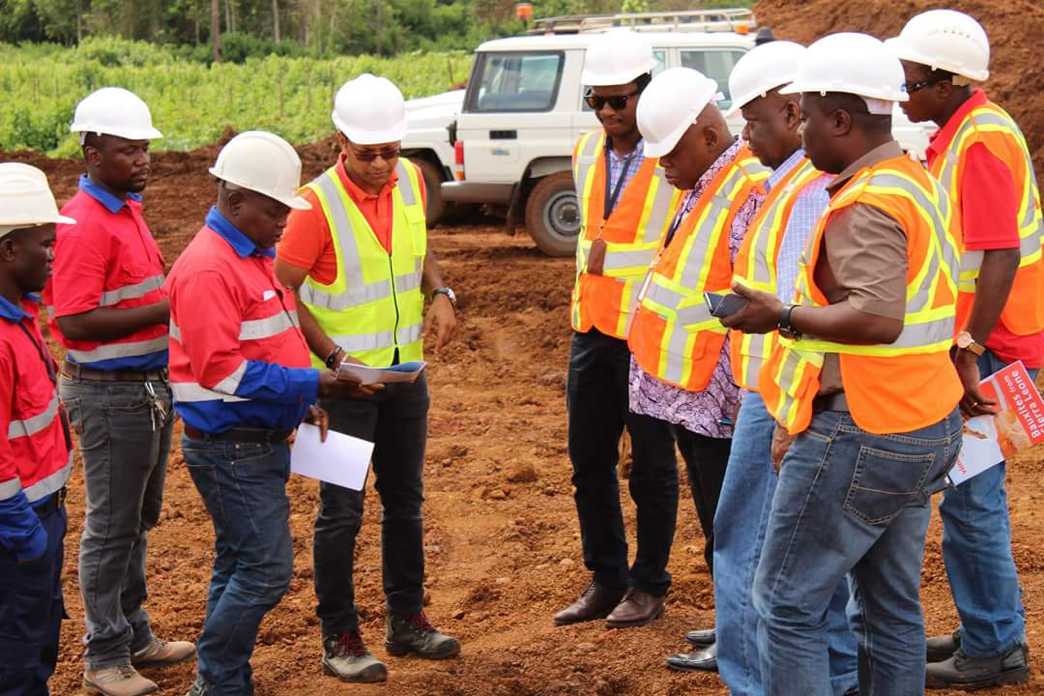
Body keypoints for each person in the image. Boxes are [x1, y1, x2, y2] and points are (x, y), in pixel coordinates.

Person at [721, 33, 964, 695]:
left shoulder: (867, 205)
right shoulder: (914, 183)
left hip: (865, 428)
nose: (797, 129)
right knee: (887, 604)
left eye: (803, 114)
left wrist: (781, 316)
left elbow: (877, 318)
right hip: (922, 420)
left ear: (840, 120)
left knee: (787, 603)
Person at [665, 42, 859, 695]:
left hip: (783, 392)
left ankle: (754, 683)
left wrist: (788, 410)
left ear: (794, 108)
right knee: (806, 562)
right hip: (777, 385)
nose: (746, 137)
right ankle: (829, 679)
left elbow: (812, 310)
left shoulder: (809, 188)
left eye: (755, 122)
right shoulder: (794, 180)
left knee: (752, 551)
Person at [274, 73, 460, 683]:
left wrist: (441, 292)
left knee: (404, 501)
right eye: (368, 152)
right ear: (340, 143)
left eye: (390, 150)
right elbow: (282, 293)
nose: (382, 164)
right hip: (341, 391)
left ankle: (406, 619)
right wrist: (333, 361)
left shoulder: (408, 179)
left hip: (406, 378)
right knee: (340, 512)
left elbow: (418, 249)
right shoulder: (313, 206)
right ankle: (340, 634)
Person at [166, 131, 363, 696]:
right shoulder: (209, 268)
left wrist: (304, 403)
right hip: (231, 447)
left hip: (258, 438)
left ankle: (221, 681)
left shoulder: (253, 256)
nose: (284, 222)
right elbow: (222, 373)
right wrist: (312, 380)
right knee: (267, 570)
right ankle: (217, 675)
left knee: (238, 562)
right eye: (275, 210)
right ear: (235, 203)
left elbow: (268, 344)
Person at [888, 10, 1043, 688]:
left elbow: (1000, 253)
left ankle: (995, 647)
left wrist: (970, 349)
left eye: (912, 80)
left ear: (948, 83)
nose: (902, 93)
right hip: (996, 342)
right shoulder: (961, 131)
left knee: (973, 499)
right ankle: (989, 627)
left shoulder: (977, 140)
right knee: (970, 496)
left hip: (999, 347)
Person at [43, 87, 194, 696]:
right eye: (128, 150)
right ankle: (104, 655)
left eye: (145, 149)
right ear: (92, 150)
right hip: (109, 395)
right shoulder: (83, 225)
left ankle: (133, 633)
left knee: (138, 519)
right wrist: (167, 307)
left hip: (146, 388)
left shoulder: (125, 212)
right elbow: (72, 324)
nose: (143, 160)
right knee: (110, 527)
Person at [626, 66, 768, 631]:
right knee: (716, 519)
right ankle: (732, 621)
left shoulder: (745, 188)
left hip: (723, 397)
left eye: (669, 153)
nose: (661, 165)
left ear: (708, 137)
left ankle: (741, 631)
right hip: (693, 394)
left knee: (731, 522)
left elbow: (751, 298)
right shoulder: (708, 182)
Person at [553, 30, 683, 631]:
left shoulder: (674, 157)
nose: (607, 112)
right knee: (589, 462)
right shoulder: (585, 152)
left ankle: (649, 582)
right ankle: (607, 577)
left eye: (619, 100)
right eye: (596, 101)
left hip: (649, 333)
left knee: (652, 467)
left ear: (646, 94)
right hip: (593, 328)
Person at [0, 163, 75, 696]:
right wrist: (22, 531)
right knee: (18, 659)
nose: (53, 255)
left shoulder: (21, 317)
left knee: (39, 642)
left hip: (42, 516)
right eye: (44, 244)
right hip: (18, 529)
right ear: (8, 251)